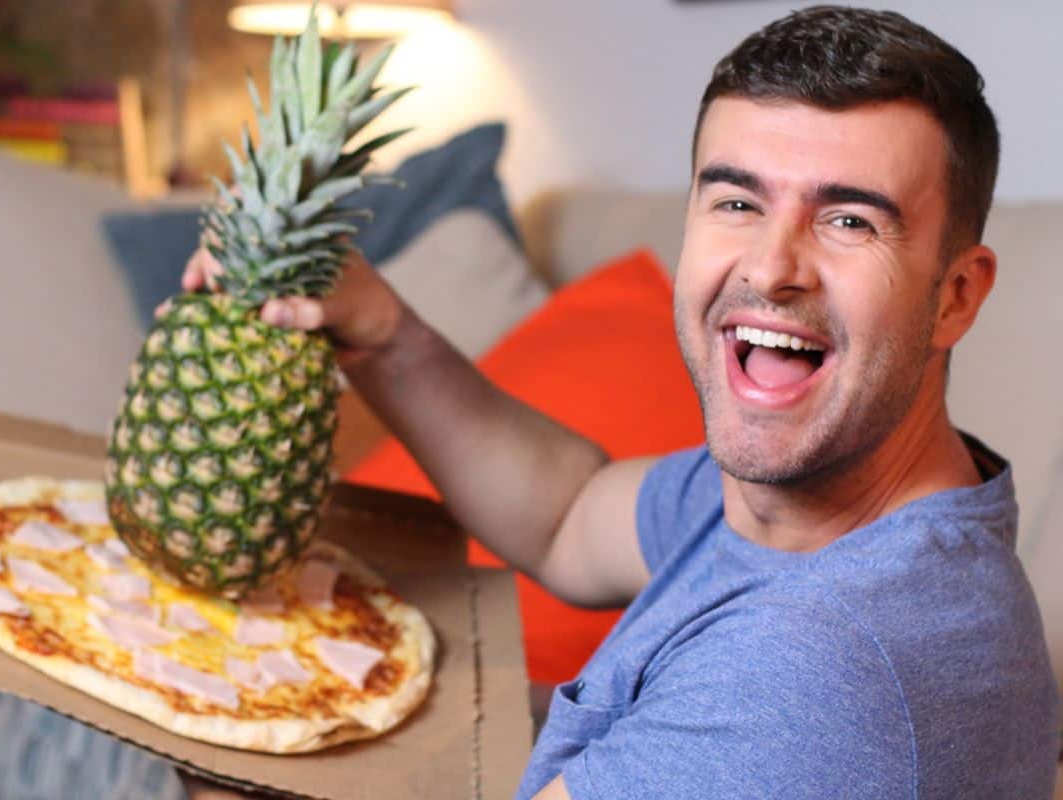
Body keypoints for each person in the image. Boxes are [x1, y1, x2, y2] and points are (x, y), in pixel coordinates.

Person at [183, 6, 1059, 799]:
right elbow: (568, 514)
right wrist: (380, 332)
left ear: (956, 295)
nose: (768, 265)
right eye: (737, 200)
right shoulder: (829, 508)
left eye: (849, 221)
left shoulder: (819, 668)